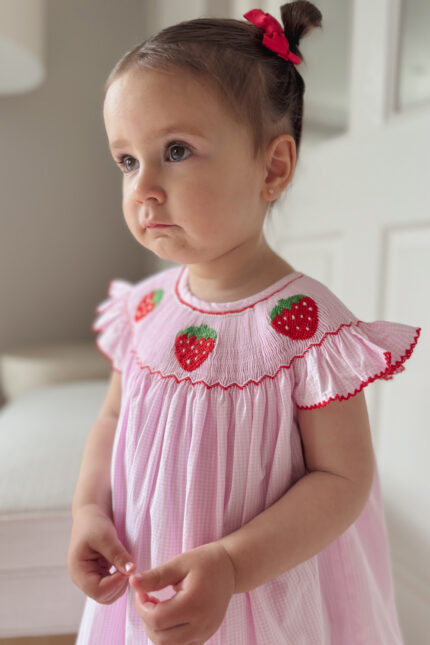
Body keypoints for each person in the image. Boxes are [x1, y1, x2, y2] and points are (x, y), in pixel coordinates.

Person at [67, 3, 422, 644]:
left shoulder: (303, 327)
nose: (143, 187)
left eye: (176, 151)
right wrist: (89, 508)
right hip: (146, 576)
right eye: (126, 160)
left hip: (257, 593)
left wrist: (232, 564)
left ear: (273, 167)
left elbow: (342, 480)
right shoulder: (146, 308)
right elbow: (114, 420)